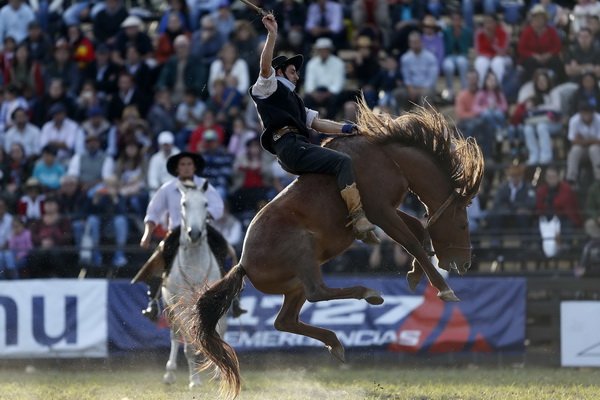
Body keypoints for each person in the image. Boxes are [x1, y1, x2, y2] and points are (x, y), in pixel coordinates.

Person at [249, 13, 380, 246]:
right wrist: (272, 35)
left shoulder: (295, 101)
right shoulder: (268, 87)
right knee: (343, 162)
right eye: (292, 71)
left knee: (337, 169)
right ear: (280, 72)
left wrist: (351, 128)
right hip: (291, 146)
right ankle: (358, 218)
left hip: (295, 147)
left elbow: (319, 124)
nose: (297, 75)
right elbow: (265, 66)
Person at [138, 151, 245, 321]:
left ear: (194, 167)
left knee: (229, 252)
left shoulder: (205, 186)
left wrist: (202, 215)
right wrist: (147, 235)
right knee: (158, 258)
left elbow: (217, 208)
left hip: (203, 228)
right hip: (176, 231)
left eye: (189, 164)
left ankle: (234, 298)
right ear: (177, 168)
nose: (186, 167)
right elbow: (153, 213)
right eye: (182, 164)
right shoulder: (167, 188)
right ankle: (152, 302)